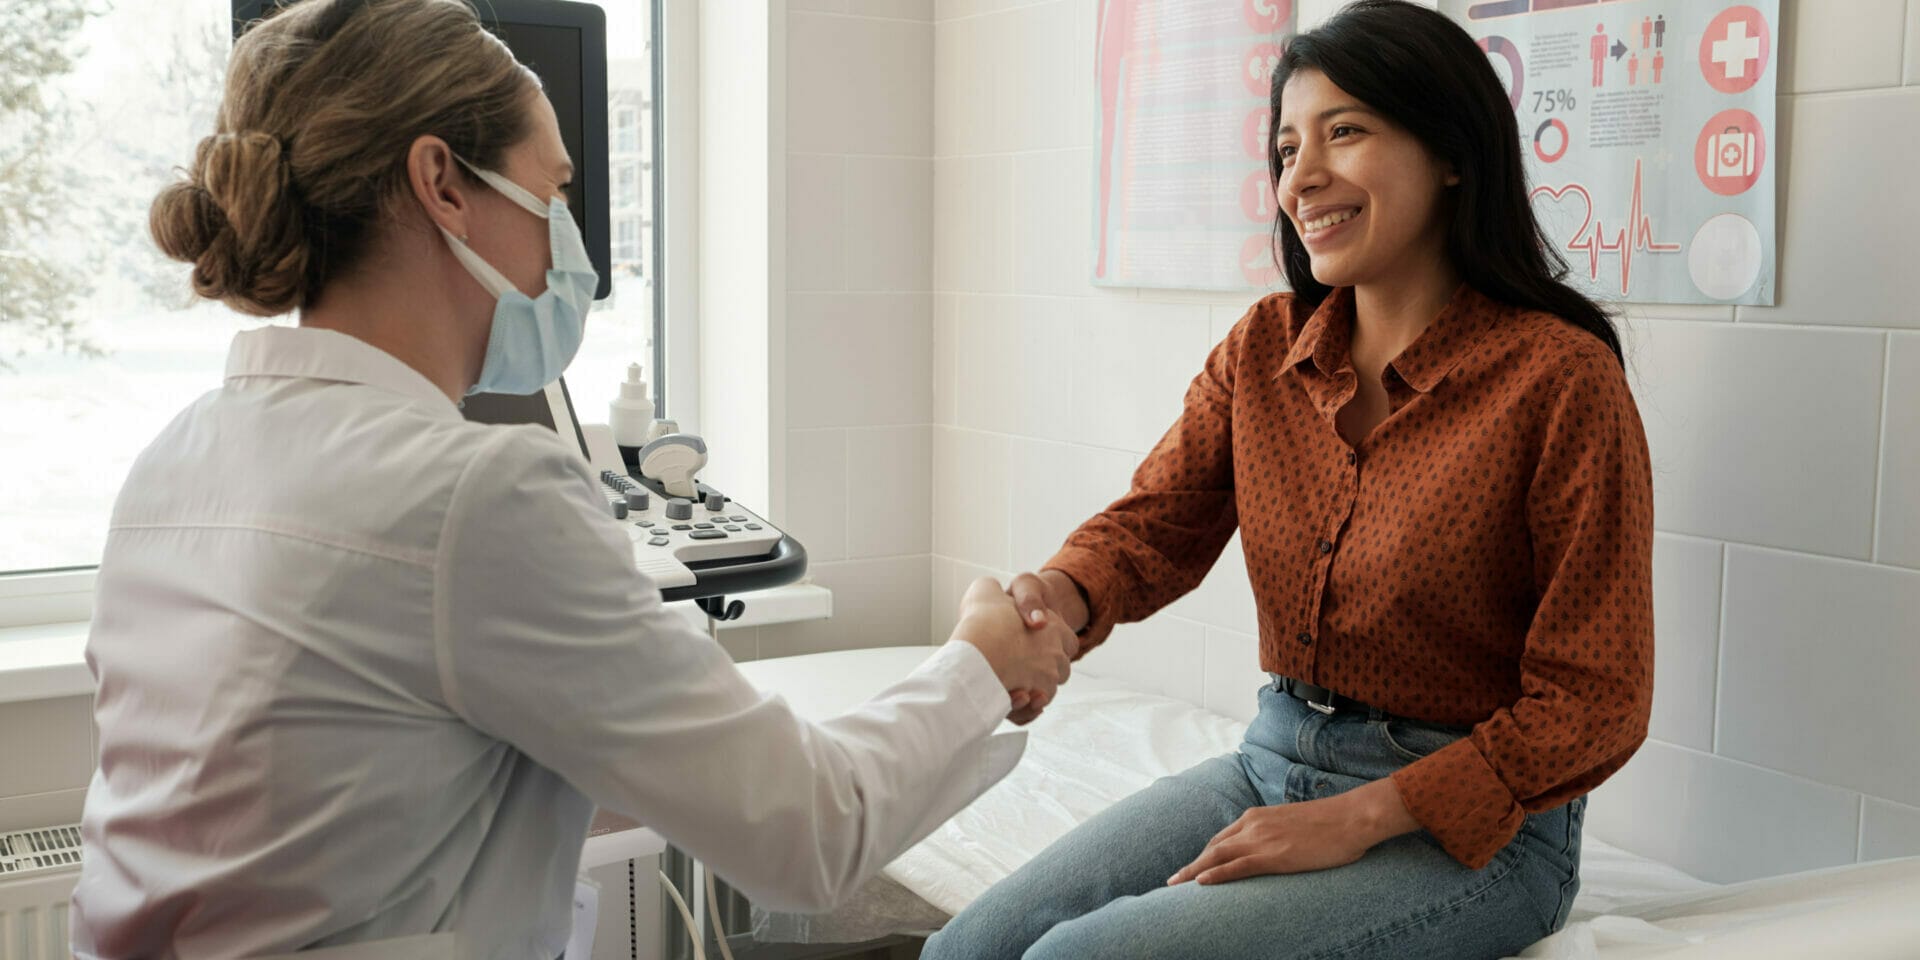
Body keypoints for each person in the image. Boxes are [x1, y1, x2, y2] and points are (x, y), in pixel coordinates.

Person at [70, 1, 1076, 956]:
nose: (570, 239)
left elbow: (354, 782)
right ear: (444, 185)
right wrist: (980, 665)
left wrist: (656, 694)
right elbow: (808, 834)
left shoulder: (178, 461)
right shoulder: (472, 495)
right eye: (552, 192)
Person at [924, 2, 1653, 958]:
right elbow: (1152, 530)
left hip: (1480, 839)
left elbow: (1597, 700)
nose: (1299, 178)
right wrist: (1056, 599)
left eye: (1343, 132)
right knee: (967, 949)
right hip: (1274, 761)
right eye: (1284, 147)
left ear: (1452, 153)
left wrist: (1361, 816)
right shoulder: (1266, 346)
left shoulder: (1559, 381)